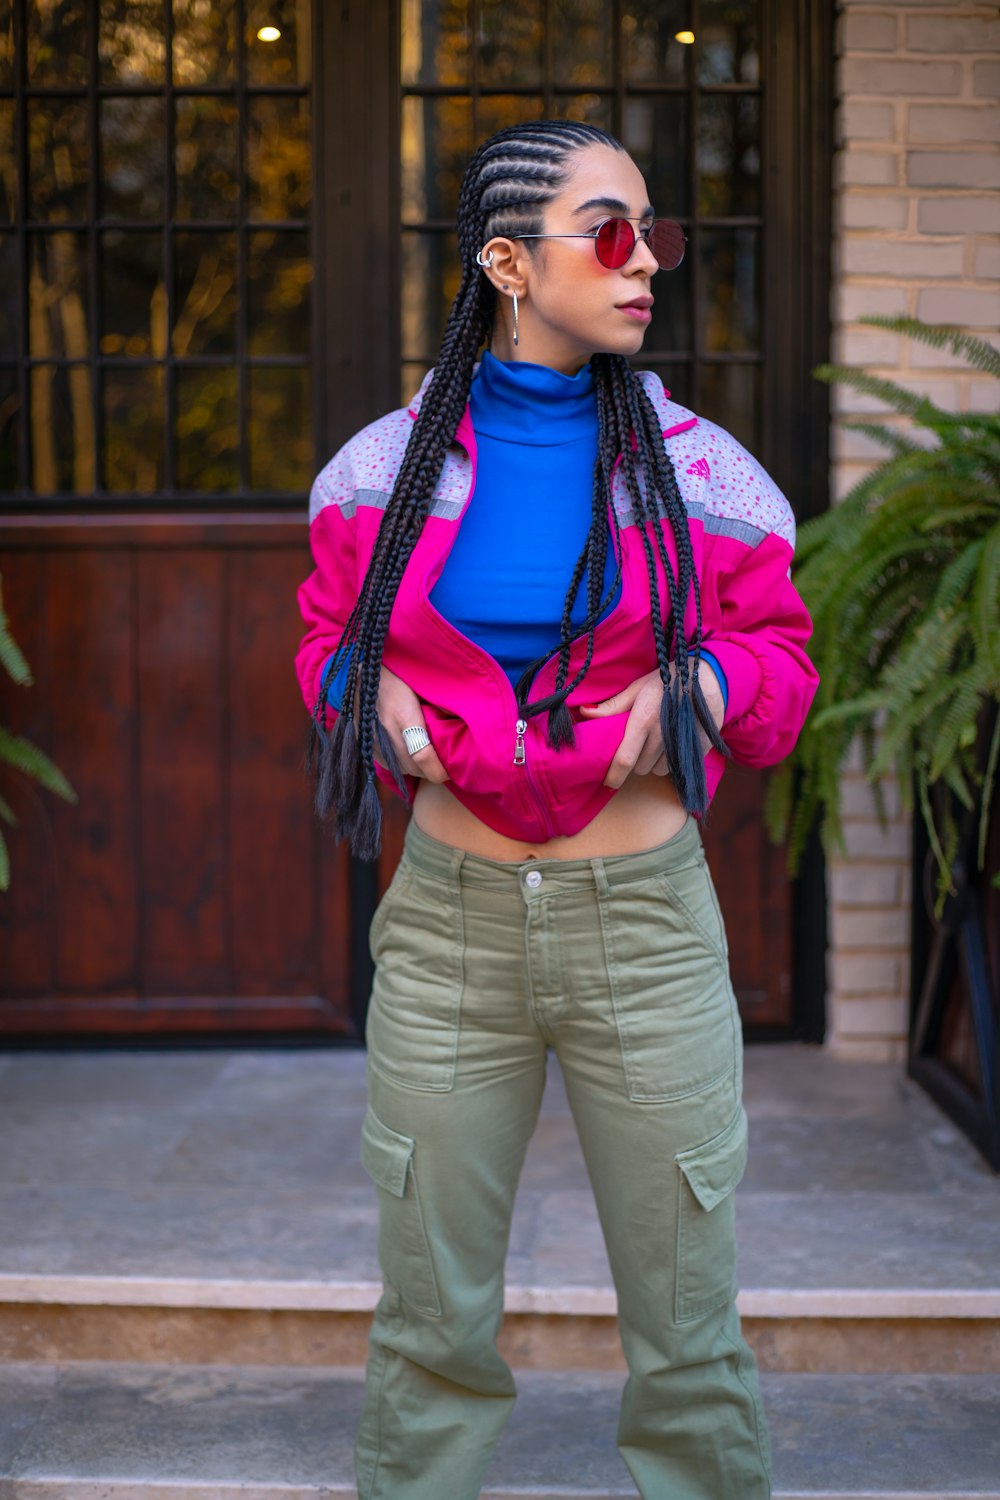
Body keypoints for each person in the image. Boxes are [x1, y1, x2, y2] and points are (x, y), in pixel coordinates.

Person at [296, 119, 818, 1500]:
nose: (645, 260)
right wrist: (361, 690)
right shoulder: (377, 472)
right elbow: (325, 639)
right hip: (449, 934)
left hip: (643, 927)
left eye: (656, 232)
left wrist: (703, 677)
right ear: (508, 264)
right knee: (429, 1323)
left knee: (688, 1325)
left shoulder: (703, 474)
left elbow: (784, 662)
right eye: (609, 231)